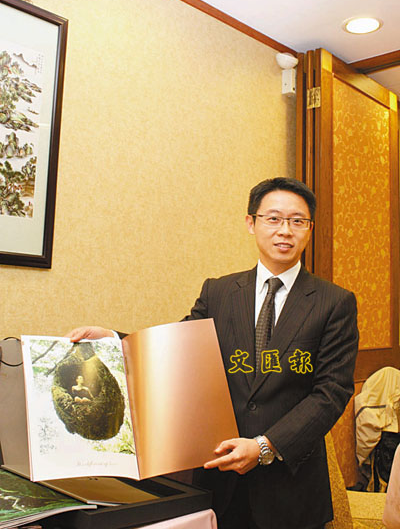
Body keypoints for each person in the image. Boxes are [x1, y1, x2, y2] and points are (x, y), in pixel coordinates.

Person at [67, 177, 359, 529]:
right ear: (251, 223)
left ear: (309, 229)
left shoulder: (334, 303)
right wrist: (114, 341)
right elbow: (177, 351)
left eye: (297, 221)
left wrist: (265, 446)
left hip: (290, 488)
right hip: (220, 480)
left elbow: (331, 392)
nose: (285, 230)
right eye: (273, 218)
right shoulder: (219, 291)